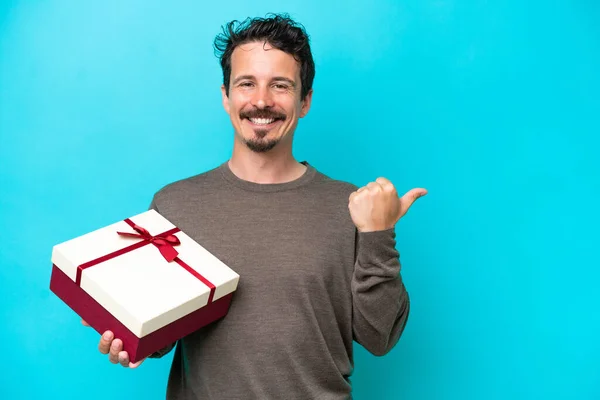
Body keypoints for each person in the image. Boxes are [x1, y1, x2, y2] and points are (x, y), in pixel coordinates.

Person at [82, 13, 427, 399]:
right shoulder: (175, 205)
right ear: (226, 97)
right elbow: (160, 334)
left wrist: (378, 234)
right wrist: (129, 337)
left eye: (280, 85)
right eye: (247, 84)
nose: (261, 101)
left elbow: (380, 337)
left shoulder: (349, 207)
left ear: (305, 101)